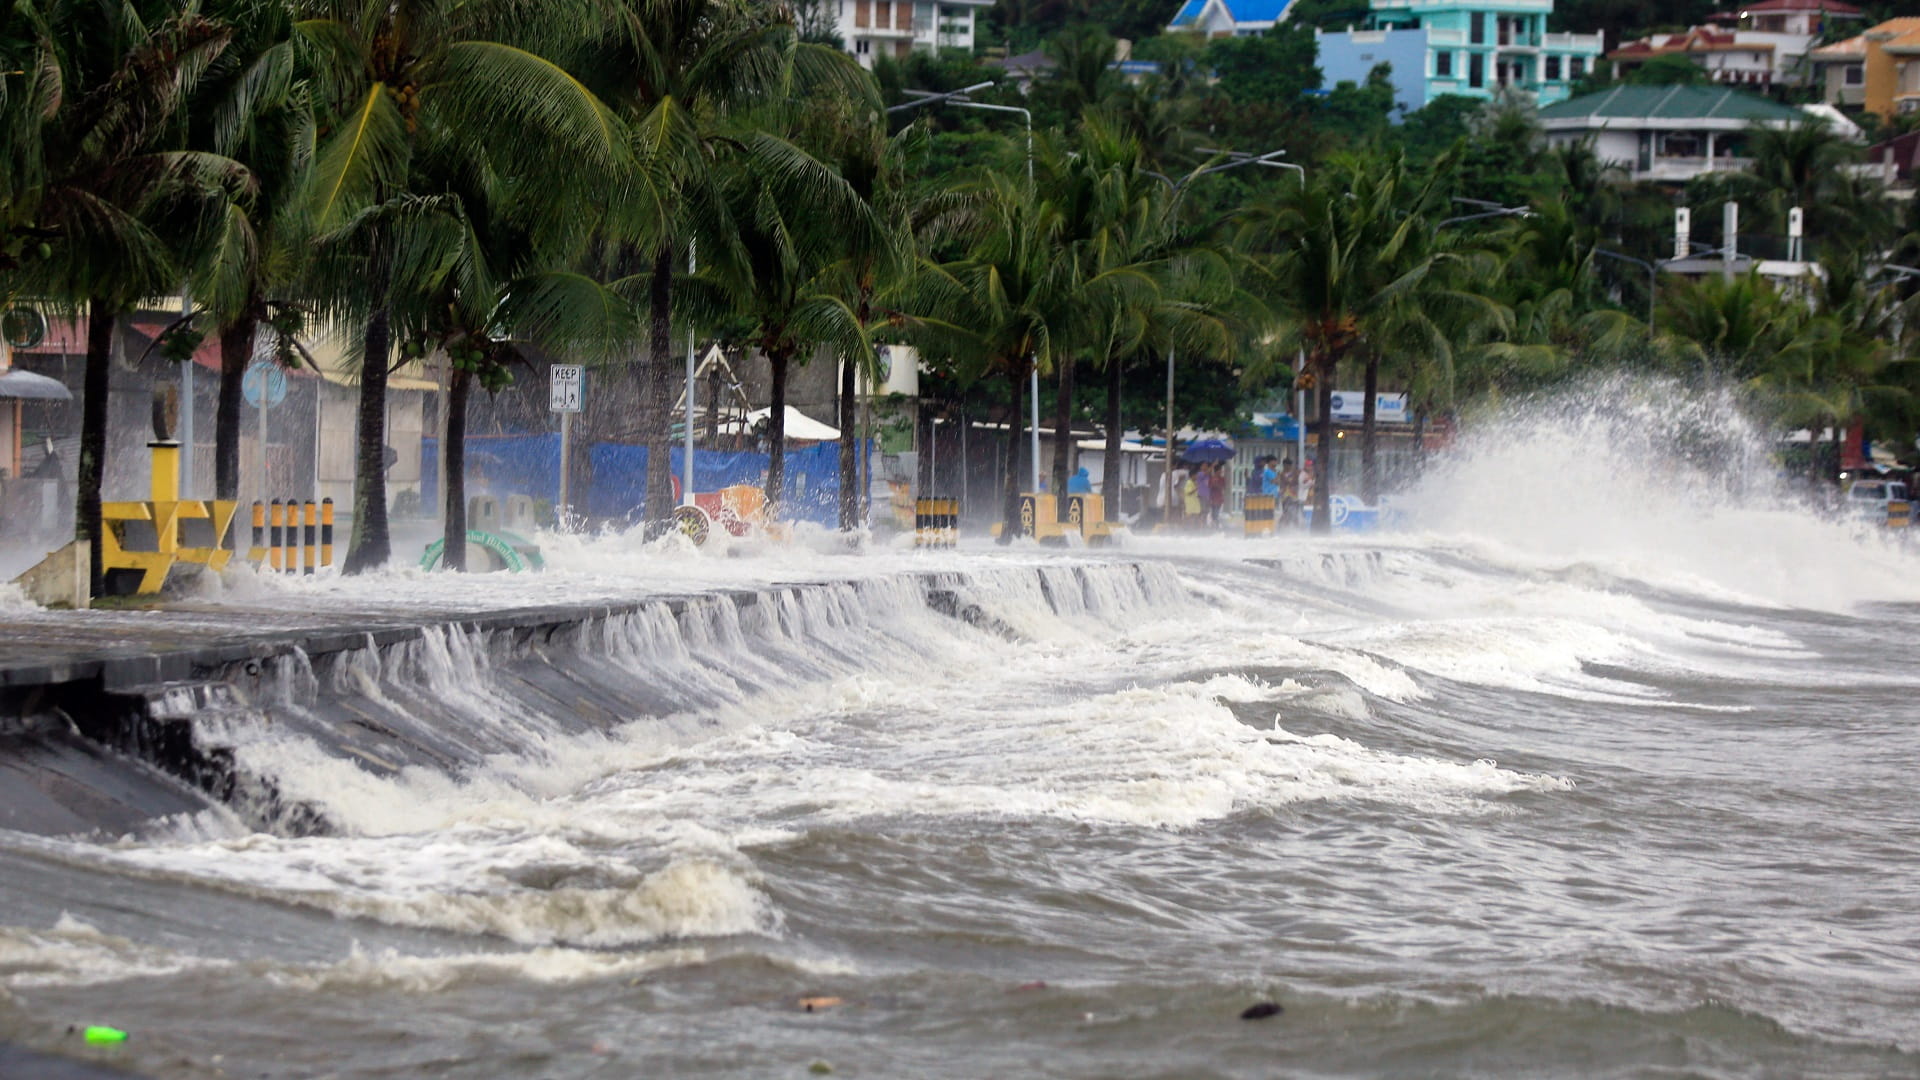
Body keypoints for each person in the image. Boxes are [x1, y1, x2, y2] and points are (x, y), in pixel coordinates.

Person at [1279, 457, 1301, 526]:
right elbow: (1282, 483)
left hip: (1293, 495)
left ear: (1290, 465)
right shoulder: (1281, 474)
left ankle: (1296, 526)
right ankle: (1285, 526)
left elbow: (1295, 482)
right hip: (1285, 496)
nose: (1286, 467)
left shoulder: (1295, 473)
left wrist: (1289, 481)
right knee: (1285, 511)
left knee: (1295, 512)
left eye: (1288, 465)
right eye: (1285, 465)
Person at [1206, 462, 1226, 526]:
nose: (1221, 472)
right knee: (1213, 513)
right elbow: (1209, 487)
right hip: (1212, 498)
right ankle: (1214, 525)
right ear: (1217, 471)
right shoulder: (1211, 478)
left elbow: (1223, 487)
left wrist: (1217, 485)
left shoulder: (1222, 479)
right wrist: (1213, 484)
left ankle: (1216, 525)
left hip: (1219, 499)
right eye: (1220, 470)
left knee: (1217, 513)